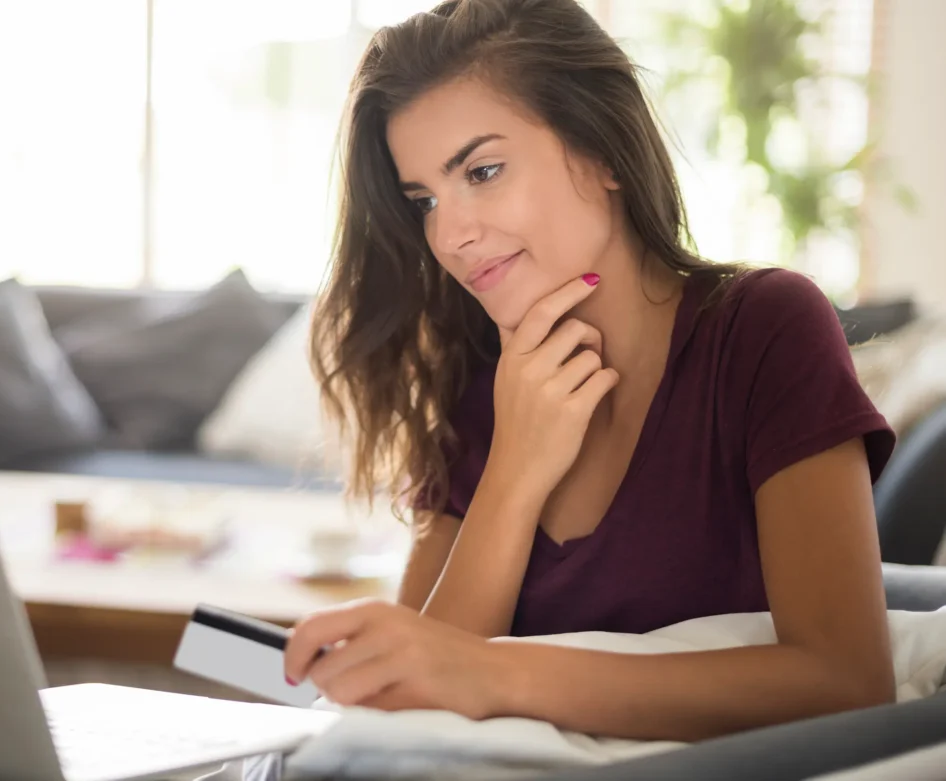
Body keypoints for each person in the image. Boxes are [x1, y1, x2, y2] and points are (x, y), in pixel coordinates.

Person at [285, 0, 897, 742]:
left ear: (599, 151)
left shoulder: (763, 330)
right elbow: (414, 707)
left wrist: (496, 675)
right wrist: (514, 469)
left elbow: (848, 682)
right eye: (425, 201)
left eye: (482, 170)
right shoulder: (476, 381)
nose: (449, 234)